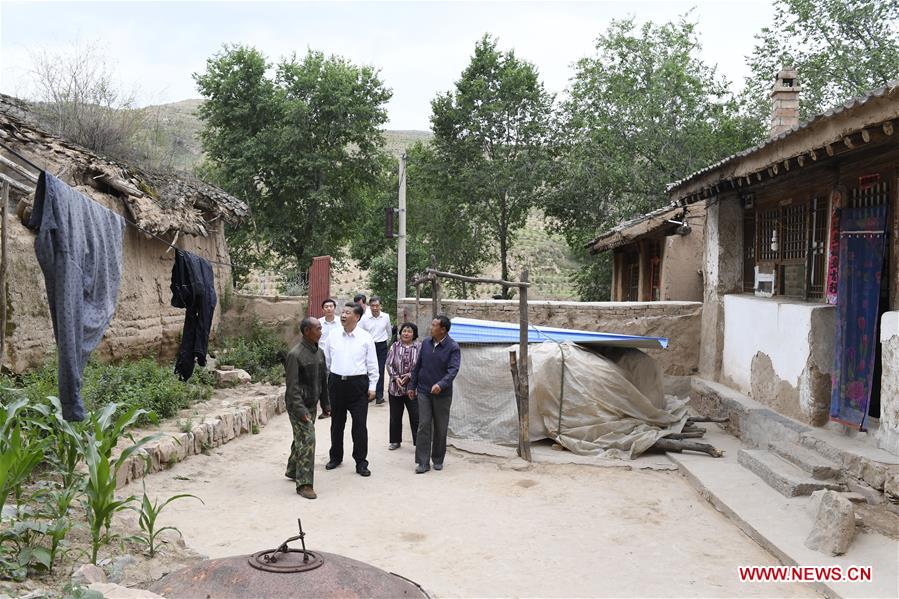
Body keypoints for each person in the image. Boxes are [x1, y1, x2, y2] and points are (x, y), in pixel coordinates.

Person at [322, 303, 379, 477]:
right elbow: (327, 361)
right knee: (337, 424)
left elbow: (372, 364)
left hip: (358, 386)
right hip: (337, 384)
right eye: (343, 312)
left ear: (357, 317)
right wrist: (332, 380)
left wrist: (372, 386)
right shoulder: (332, 336)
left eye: (347, 313)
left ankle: (361, 462)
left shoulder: (365, 337)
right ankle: (336, 457)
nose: (343, 315)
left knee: (360, 426)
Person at [284, 317, 329, 499]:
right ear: (306, 332)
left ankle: (292, 469)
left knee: (302, 438)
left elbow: (323, 381)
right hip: (298, 406)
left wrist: (326, 404)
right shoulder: (295, 355)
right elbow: (292, 388)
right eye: (317, 328)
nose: (321, 331)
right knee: (308, 439)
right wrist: (301, 412)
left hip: (312, 403)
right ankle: (304, 484)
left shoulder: (320, 353)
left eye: (320, 328)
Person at [410, 315, 461, 474]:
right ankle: (423, 462)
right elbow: (418, 366)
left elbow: (453, 370)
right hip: (424, 391)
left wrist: (441, 384)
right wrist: (412, 385)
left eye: (434, 325)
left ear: (443, 329)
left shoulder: (453, 347)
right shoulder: (426, 343)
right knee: (424, 425)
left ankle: (438, 459)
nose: (431, 327)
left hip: (442, 394)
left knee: (440, 427)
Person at [385, 322, 421, 450]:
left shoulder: (419, 347)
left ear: (414, 334)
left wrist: (410, 375)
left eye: (409, 331)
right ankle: (395, 441)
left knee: (415, 415)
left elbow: (421, 366)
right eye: (404, 331)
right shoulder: (394, 346)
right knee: (395, 415)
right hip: (395, 387)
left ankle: (418, 442)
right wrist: (396, 378)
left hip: (413, 387)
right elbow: (388, 364)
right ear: (400, 333)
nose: (406, 333)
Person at [359, 296, 391, 405]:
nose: (375, 308)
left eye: (377, 305)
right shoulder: (364, 318)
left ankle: (379, 396)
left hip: (381, 346)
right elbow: (360, 332)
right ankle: (368, 394)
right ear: (370, 306)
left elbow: (389, 332)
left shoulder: (385, 317)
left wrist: (386, 344)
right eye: (373, 306)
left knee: (380, 370)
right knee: (367, 370)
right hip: (368, 347)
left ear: (380, 306)